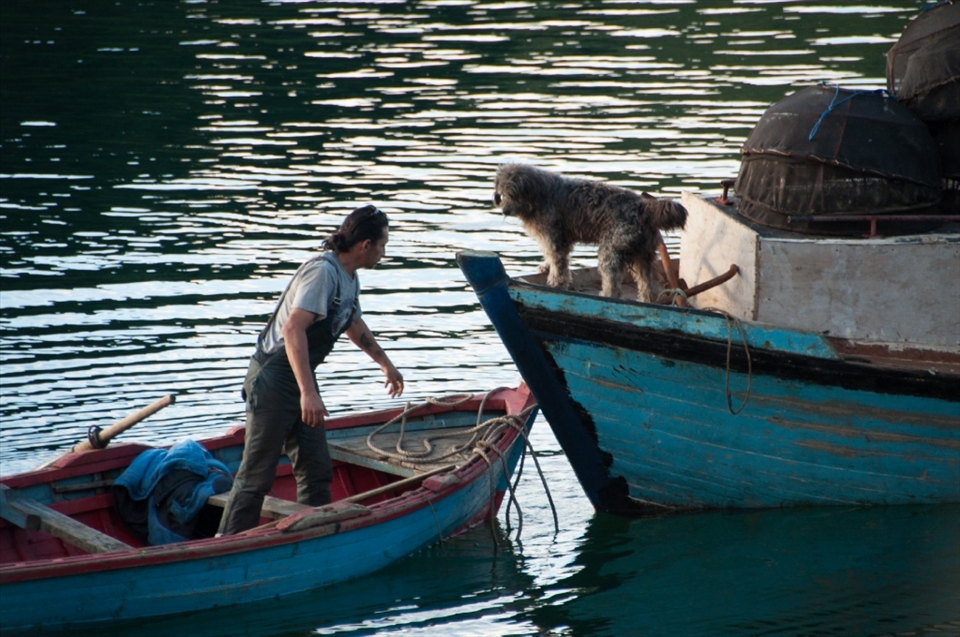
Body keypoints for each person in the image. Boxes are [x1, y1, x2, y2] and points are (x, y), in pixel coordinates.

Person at [217, 204, 403, 535]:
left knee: (316, 469)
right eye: (383, 244)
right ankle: (224, 545)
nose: (383, 253)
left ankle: (311, 536)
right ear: (366, 245)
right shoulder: (322, 272)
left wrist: (385, 364)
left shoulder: (349, 277)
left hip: (298, 380)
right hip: (273, 379)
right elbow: (293, 329)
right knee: (256, 476)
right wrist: (308, 393)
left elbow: (353, 323)